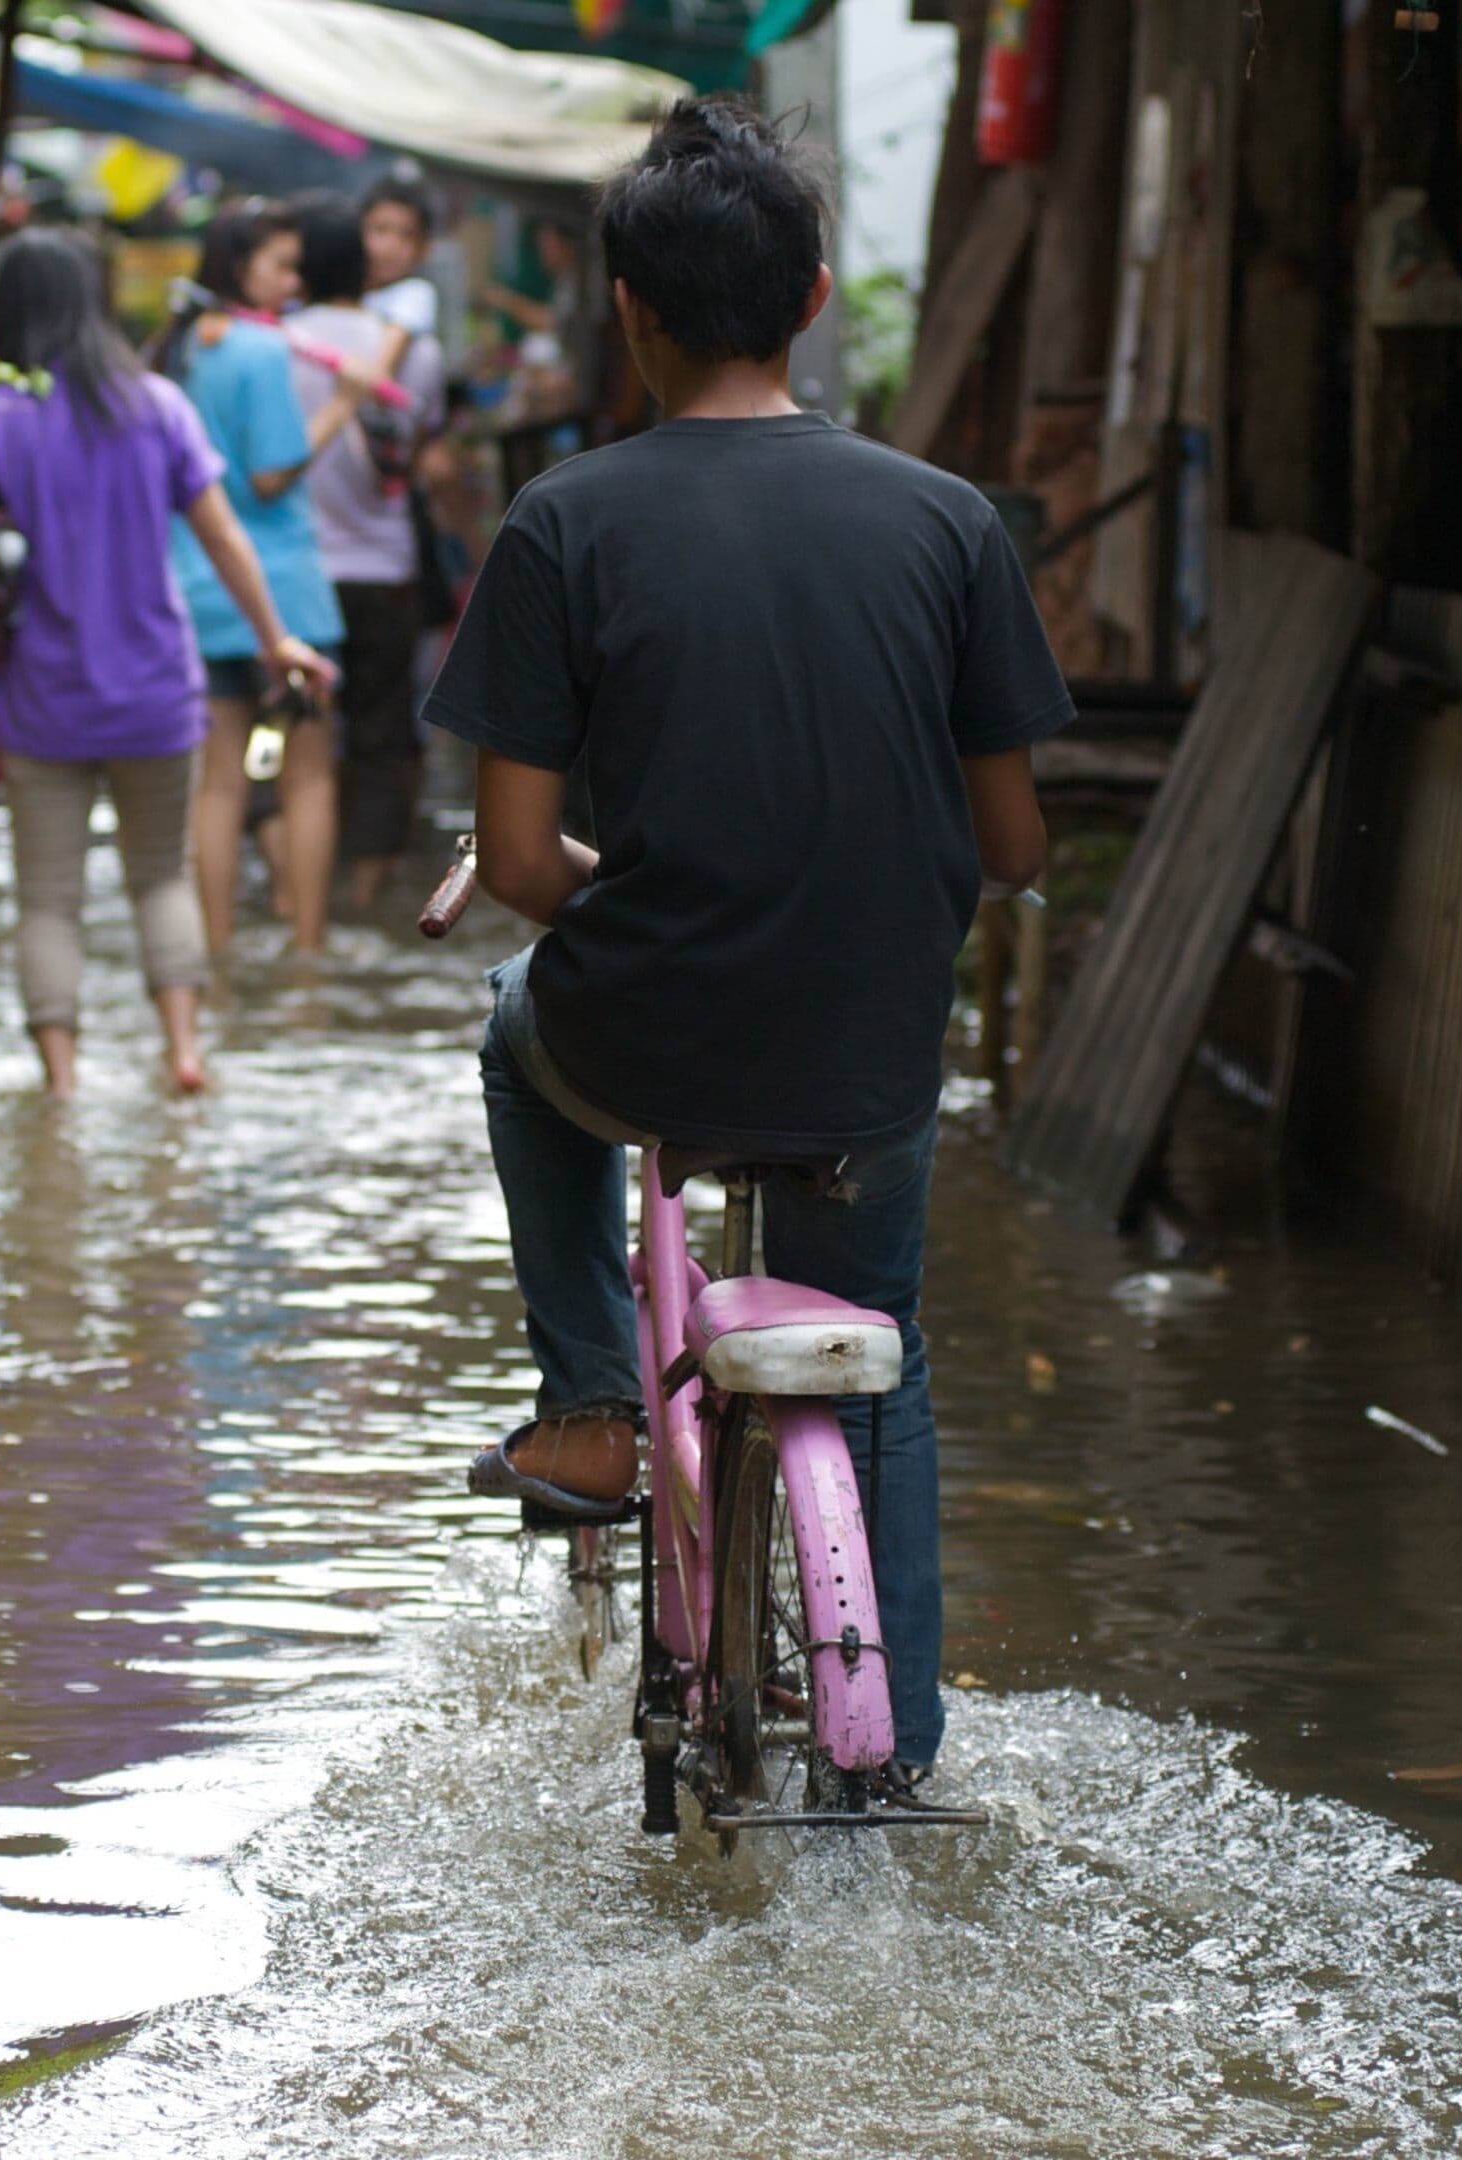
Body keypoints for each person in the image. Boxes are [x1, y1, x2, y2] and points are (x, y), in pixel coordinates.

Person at [427, 100, 1066, 1789]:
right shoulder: (948, 526)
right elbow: (1014, 847)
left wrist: (645, 898)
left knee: (512, 1023)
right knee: (887, 1351)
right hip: (867, 1046)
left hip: (638, 1027)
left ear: (628, 310)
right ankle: (902, 1753)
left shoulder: (562, 524)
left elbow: (510, 865)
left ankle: (590, 1397)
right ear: (814, 299)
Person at [0, 226, 334, 1097]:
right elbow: (225, 534)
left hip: (39, 696)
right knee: (161, 875)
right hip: (156, 690)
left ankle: (62, 1077)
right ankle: (184, 1051)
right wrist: (277, 638)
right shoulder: (157, 405)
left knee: (47, 897)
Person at [156, 206, 376, 956]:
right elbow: (273, 473)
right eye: (280, 266)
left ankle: (217, 959)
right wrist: (347, 402)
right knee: (306, 781)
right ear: (238, 266)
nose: (292, 281)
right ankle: (308, 955)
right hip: (282, 598)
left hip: (197, 590)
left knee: (217, 785)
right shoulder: (258, 349)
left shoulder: (181, 347)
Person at [281, 199, 449, 914]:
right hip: (386, 569)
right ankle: (365, 889)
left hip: (299, 572)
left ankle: (292, 893)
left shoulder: (277, 345)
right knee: (383, 734)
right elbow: (414, 453)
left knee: (292, 736)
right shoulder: (418, 354)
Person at [359, 177, 442, 343]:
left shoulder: (415, 294)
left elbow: (382, 366)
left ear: (424, 248)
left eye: (407, 235)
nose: (391, 246)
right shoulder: (346, 295)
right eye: (381, 230)